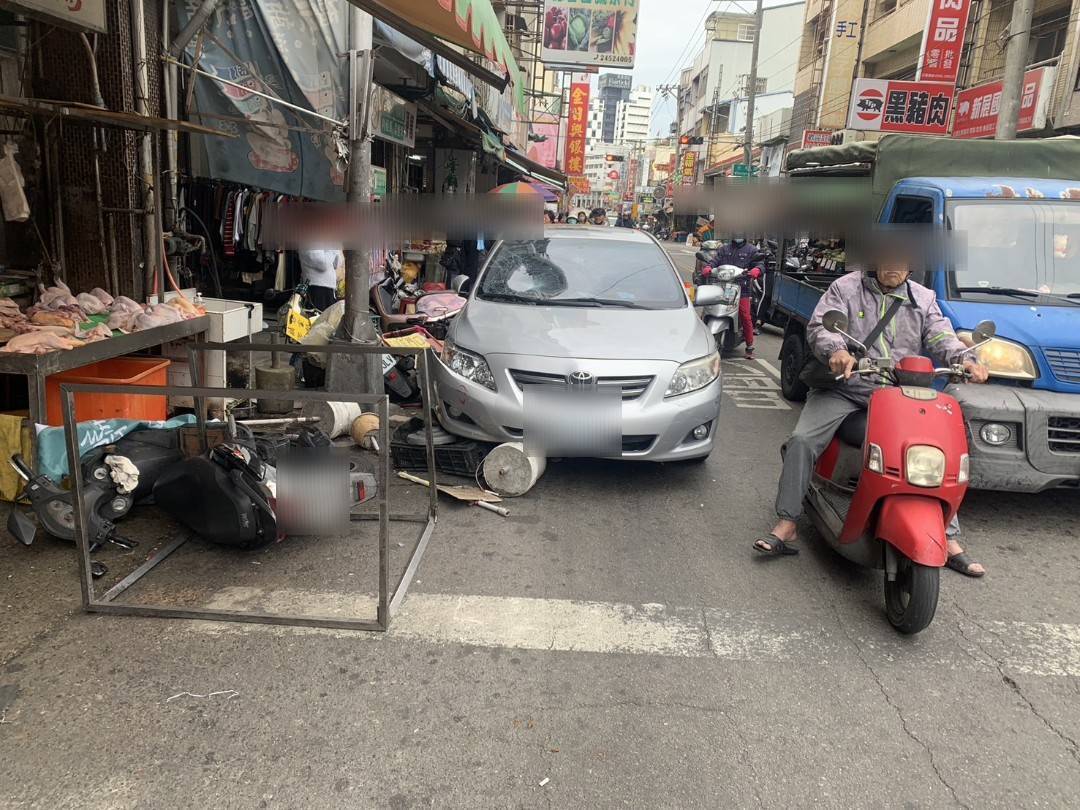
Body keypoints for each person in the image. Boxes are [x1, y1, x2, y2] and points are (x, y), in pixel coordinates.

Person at [752, 262, 990, 578]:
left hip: (898, 396)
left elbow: (940, 337)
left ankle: (946, 536)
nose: (894, 264)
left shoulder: (924, 299)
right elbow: (821, 327)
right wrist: (836, 350)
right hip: (846, 389)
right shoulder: (846, 288)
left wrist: (965, 360)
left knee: (934, 453)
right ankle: (787, 522)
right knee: (802, 440)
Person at [704, 236, 763, 359]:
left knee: (745, 316)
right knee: (706, 310)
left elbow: (760, 264)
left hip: (741, 288)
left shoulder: (751, 250)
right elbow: (715, 260)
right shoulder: (724, 249)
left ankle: (749, 346)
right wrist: (709, 267)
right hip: (722, 286)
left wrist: (756, 270)